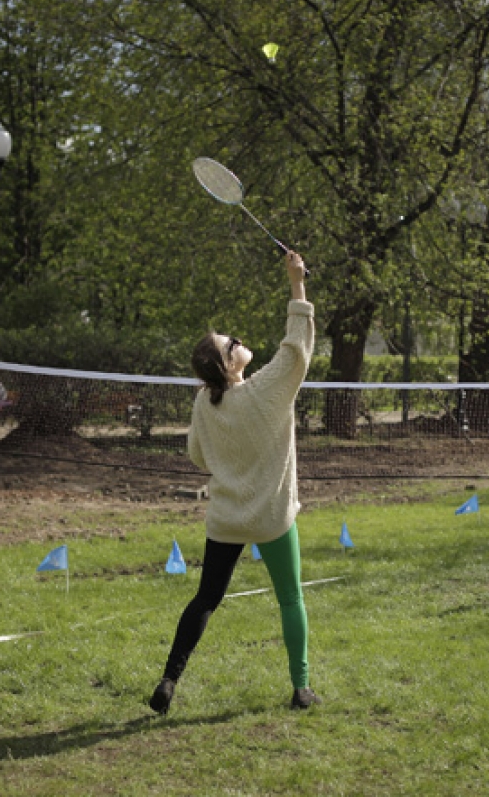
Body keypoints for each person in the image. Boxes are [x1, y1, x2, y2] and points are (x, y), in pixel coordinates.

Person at [149, 250, 320, 714]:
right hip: (271, 518)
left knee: (206, 597)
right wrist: (296, 283)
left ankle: (168, 679)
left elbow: (197, 456)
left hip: (225, 519)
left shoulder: (205, 402)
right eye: (231, 344)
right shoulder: (266, 390)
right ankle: (301, 688)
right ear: (228, 366)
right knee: (291, 599)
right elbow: (298, 347)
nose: (238, 341)